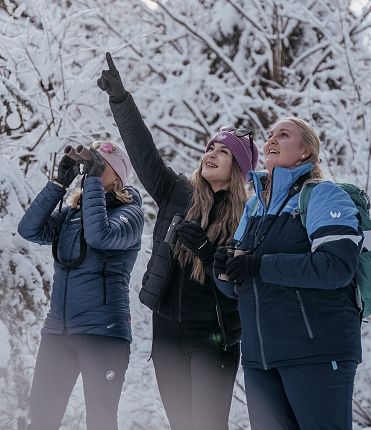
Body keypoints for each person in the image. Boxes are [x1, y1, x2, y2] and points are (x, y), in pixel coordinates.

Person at [97, 52, 259, 430]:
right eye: (209, 148)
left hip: (214, 337)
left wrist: (205, 248)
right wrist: (121, 100)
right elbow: (143, 153)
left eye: (223, 152)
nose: (211, 155)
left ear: (238, 169)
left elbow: (240, 285)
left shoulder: (249, 217)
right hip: (167, 331)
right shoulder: (176, 192)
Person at [213, 117, 363, 430]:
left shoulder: (324, 196)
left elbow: (335, 267)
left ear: (306, 152)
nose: (271, 140)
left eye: (283, 135)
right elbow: (239, 288)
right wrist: (223, 271)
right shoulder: (255, 207)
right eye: (269, 135)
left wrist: (260, 264)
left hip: (316, 353)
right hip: (260, 359)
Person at [17, 141, 144, 430]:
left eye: (101, 163)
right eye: (91, 162)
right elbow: (29, 229)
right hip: (58, 332)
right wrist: (59, 183)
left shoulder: (131, 214)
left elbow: (100, 236)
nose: (92, 168)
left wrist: (94, 184)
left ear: (119, 176)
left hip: (103, 335)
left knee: (100, 421)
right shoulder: (71, 214)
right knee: (40, 420)